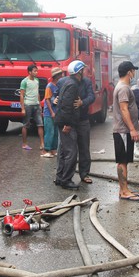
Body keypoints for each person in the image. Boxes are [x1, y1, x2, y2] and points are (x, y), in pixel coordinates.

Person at [112, 61, 139, 200]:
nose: (134, 73)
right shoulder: (124, 88)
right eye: (133, 71)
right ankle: (124, 191)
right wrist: (132, 129)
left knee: (124, 160)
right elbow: (124, 109)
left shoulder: (123, 87)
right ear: (129, 72)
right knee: (122, 161)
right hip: (123, 130)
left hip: (124, 130)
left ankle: (124, 189)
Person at [54, 60, 85, 190]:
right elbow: (67, 105)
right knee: (71, 152)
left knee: (63, 151)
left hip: (62, 121)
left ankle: (60, 177)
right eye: (82, 70)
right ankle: (66, 180)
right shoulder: (73, 85)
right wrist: (67, 124)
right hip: (66, 122)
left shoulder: (67, 82)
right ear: (79, 72)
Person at [20, 64, 44, 152]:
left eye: (37, 71)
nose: (36, 72)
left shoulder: (37, 80)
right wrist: (22, 108)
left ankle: (42, 143)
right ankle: (24, 143)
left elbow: (37, 92)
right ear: (30, 72)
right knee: (26, 124)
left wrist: (39, 104)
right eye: (35, 71)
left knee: (40, 124)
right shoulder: (24, 81)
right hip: (28, 105)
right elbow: (22, 95)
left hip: (36, 105)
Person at [41, 67, 63, 158]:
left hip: (56, 112)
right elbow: (47, 100)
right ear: (56, 76)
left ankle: (53, 149)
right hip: (49, 113)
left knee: (55, 132)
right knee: (49, 132)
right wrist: (52, 112)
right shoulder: (49, 86)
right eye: (60, 74)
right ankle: (46, 150)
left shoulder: (58, 85)